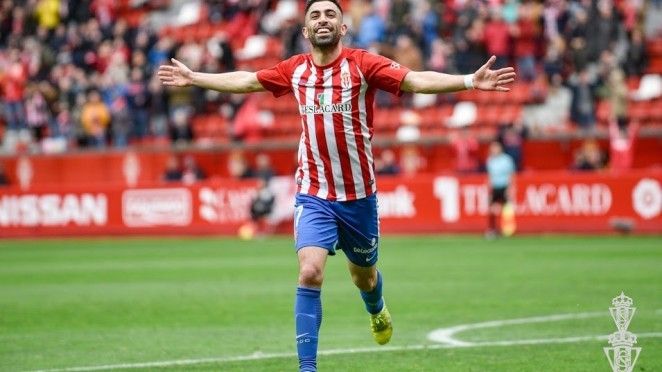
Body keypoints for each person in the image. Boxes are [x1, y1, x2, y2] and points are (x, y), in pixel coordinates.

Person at [158, 1, 515, 370]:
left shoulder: (363, 65)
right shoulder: (294, 70)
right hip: (314, 193)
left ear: (343, 28)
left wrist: (470, 81)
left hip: (358, 197)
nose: (323, 20)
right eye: (315, 15)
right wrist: (195, 77)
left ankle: (376, 308)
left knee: (364, 277)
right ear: (305, 31)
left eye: (331, 15)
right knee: (309, 270)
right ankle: (307, 368)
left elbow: (414, 79)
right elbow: (247, 80)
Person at [485, 141, 516, 238]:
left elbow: (511, 175)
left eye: (496, 147)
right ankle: (492, 230)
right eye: (492, 148)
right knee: (492, 209)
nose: (494, 150)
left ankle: (508, 230)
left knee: (506, 209)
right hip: (495, 187)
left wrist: (510, 188)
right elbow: (489, 176)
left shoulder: (507, 160)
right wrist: (489, 189)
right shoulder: (490, 160)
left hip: (504, 186)